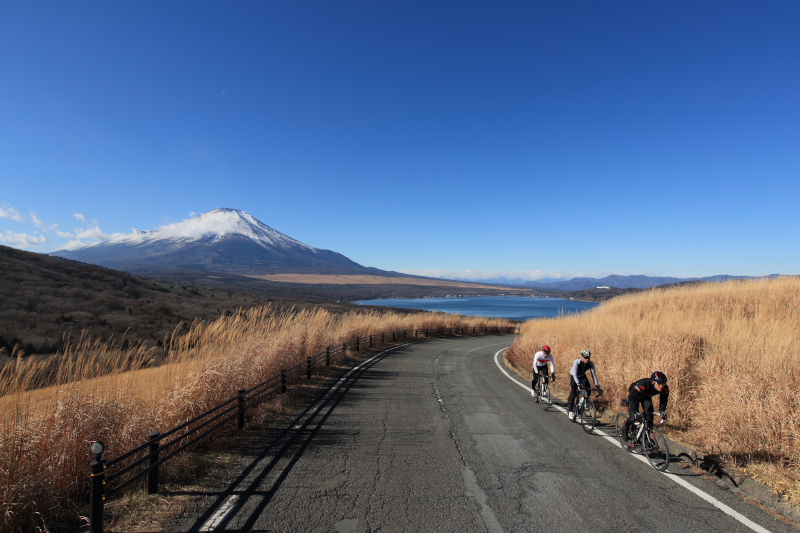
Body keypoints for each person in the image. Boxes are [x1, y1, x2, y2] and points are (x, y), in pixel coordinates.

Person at [621, 371, 670, 444]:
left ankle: (646, 437)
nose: (661, 387)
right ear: (653, 382)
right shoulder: (643, 385)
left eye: (663, 384)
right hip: (635, 396)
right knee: (634, 416)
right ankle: (625, 428)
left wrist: (662, 411)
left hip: (646, 397)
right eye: (659, 384)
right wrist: (635, 412)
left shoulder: (665, 388)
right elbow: (632, 398)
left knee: (650, 416)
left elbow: (663, 401)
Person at [567, 350, 602, 420]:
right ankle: (570, 411)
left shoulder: (590, 363)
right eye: (585, 358)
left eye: (588, 358)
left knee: (589, 389)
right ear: (582, 357)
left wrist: (597, 385)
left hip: (583, 376)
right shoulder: (577, 362)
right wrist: (579, 384)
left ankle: (584, 400)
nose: (587, 359)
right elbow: (574, 374)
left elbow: (594, 374)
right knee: (573, 393)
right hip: (574, 376)